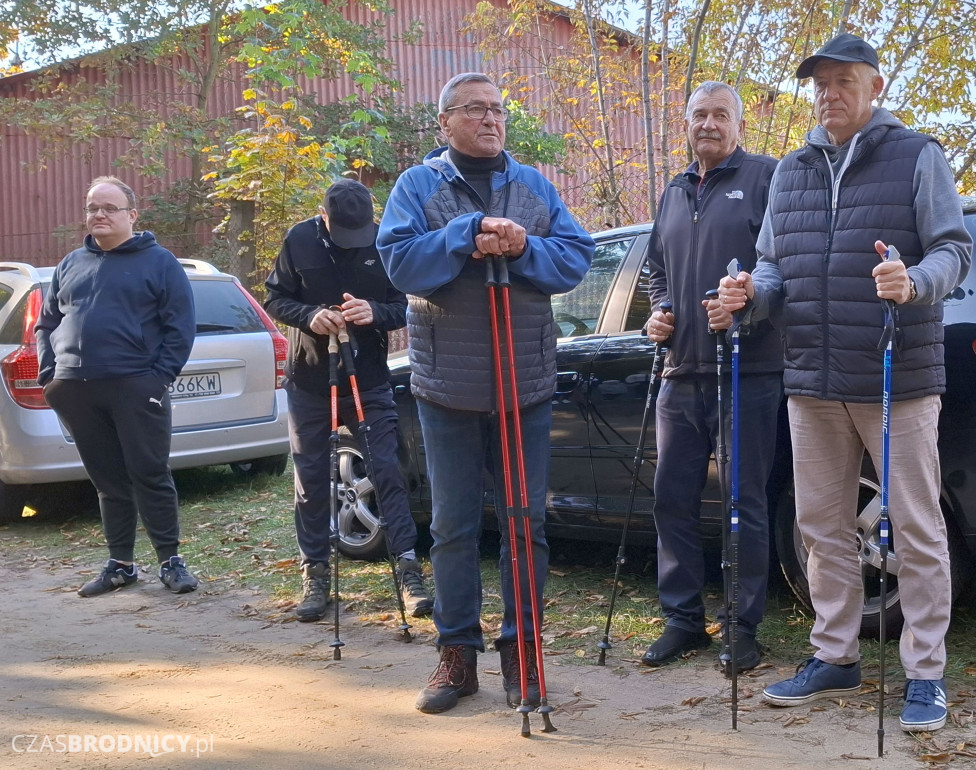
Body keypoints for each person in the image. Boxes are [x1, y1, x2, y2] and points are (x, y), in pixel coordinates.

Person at [714, 33, 972, 733]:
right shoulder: (792, 170)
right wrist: (749, 292)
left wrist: (915, 280)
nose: (830, 93)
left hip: (898, 378)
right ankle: (835, 656)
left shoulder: (918, 157)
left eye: (844, 81)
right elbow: (773, 268)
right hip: (812, 378)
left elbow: (955, 249)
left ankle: (925, 673)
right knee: (820, 527)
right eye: (820, 83)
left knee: (916, 530)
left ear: (875, 87)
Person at [377, 72, 594, 715]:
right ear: (444, 122)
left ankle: (523, 656)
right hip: (447, 387)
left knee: (527, 525)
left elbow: (576, 257)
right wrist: (463, 235)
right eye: (474, 109)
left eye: (497, 109)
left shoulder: (534, 186)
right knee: (452, 528)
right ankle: (457, 657)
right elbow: (399, 263)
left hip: (524, 383)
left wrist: (525, 244)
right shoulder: (417, 186)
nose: (490, 119)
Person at [642, 82, 783, 673]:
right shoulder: (674, 190)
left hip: (747, 369)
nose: (708, 124)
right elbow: (656, 268)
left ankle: (742, 627)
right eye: (699, 115)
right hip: (680, 372)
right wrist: (659, 310)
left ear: (738, 124)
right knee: (670, 497)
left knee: (742, 503)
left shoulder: (767, 179)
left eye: (719, 115)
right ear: (687, 123)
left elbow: (784, 266)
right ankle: (683, 620)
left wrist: (747, 302)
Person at [264, 179, 433, 623]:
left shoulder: (383, 240)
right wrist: (309, 316)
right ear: (324, 217)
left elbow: (405, 304)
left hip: (370, 378)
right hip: (309, 381)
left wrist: (374, 312)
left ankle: (408, 571)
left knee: (387, 471)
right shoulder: (300, 239)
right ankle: (315, 574)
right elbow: (275, 297)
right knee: (312, 478)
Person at [35, 176, 199, 598]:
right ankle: (120, 564)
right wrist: (50, 376)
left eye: (109, 207)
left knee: (149, 472)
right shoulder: (70, 263)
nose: (99, 215)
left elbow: (180, 328)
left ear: (132, 214)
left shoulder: (160, 262)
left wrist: (158, 379)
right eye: (92, 208)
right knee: (107, 480)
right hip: (76, 389)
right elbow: (47, 323)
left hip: (135, 385)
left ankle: (170, 561)